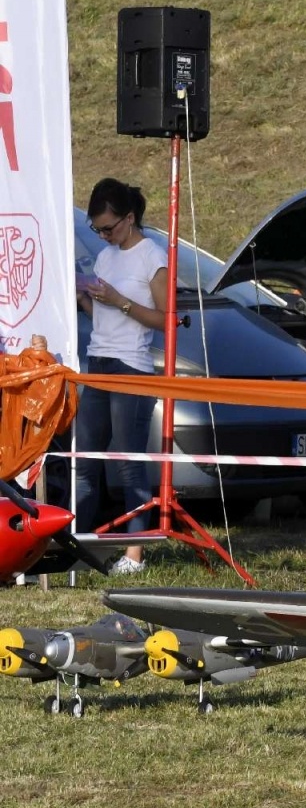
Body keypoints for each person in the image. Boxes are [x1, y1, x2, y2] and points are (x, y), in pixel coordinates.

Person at [76, 178, 169, 576]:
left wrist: (120, 301)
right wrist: (83, 298)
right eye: (97, 229)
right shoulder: (105, 257)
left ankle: (135, 555)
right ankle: (77, 547)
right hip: (98, 362)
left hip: (132, 367)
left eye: (108, 228)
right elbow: (105, 321)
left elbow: (165, 320)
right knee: (85, 460)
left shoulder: (152, 255)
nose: (103, 235)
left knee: (129, 462)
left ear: (130, 219)